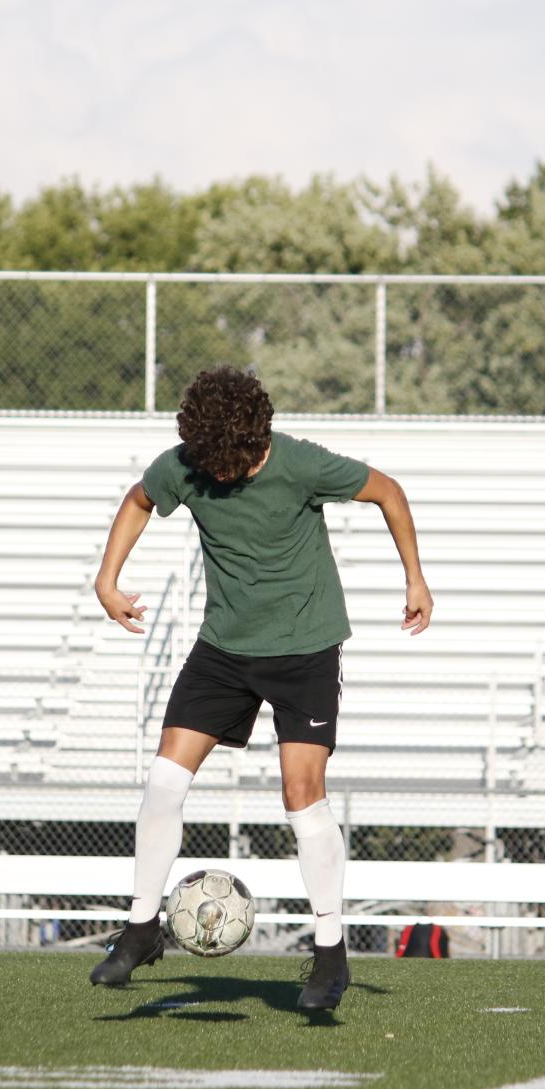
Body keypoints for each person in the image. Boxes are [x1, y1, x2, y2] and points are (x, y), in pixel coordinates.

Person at [88, 366, 432, 1010]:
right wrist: (108, 580)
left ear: (257, 439)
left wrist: (415, 579)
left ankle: (331, 955)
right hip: (223, 649)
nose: (218, 474)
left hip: (304, 649)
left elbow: (389, 491)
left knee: (302, 796)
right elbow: (139, 499)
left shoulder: (301, 463)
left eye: (231, 462)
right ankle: (139, 930)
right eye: (208, 462)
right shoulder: (185, 465)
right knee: (164, 779)